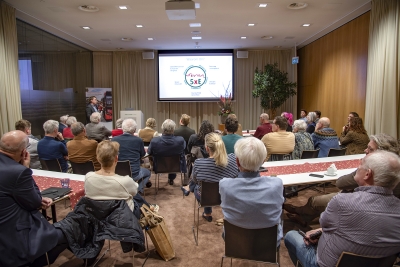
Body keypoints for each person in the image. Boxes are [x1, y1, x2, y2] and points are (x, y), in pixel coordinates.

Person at [284, 151, 400, 267]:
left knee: (291, 235)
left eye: (360, 165)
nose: (357, 167)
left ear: (367, 174)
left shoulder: (342, 202)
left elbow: (325, 224)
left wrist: (322, 230)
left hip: (324, 264)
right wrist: (321, 231)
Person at [284, 133, 400, 226]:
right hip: (385, 210)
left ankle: (300, 213)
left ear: (380, 153)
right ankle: (302, 215)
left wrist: (360, 169)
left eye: (370, 149)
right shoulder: (396, 168)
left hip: (358, 203)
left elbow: (341, 183)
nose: (365, 150)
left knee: (315, 201)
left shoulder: (368, 169)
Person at [0, 130, 68, 266]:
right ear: (24, 151)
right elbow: (34, 202)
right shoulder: (18, 171)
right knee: (68, 232)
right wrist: (25, 167)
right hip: (14, 238)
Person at [219, 137, 284, 246]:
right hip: (269, 244)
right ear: (263, 161)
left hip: (234, 241)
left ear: (237, 161)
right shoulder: (277, 184)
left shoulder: (224, 184)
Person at [181, 133, 238, 221]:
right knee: (207, 184)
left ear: (207, 148)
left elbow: (195, 180)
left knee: (198, 185)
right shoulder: (233, 159)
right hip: (227, 196)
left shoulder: (199, 163)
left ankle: (207, 212)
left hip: (206, 198)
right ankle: (189, 188)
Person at [85, 140, 139, 211]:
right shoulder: (125, 181)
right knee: (137, 198)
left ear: (98, 159)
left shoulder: (88, 177)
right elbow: (135, 191)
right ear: (116, 158)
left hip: (97, 216)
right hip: (122, 218)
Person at [112, 119, 152, 193]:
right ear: (134, 130)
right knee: (148, 173)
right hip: (134, 173)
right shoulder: (138, 140)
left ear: (123, 128)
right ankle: (138, 190)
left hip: (117, 172)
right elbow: (142, 154)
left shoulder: (114, 140)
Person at [148, 119, 186, 185]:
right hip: (176, 167)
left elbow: (149, 152)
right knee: (174, 158)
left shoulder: (154, 141)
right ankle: (171, 178)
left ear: (162, 128)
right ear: (173, 129)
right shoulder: (180, 140)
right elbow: (184, 148)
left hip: (159, 167)